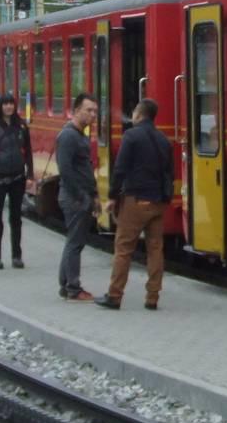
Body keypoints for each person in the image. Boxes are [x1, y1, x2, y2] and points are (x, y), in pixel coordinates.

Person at [98, 98, 174, 311]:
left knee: (123, 249)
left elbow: (120, 168)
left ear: (139, 115)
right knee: (155, 249)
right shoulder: (163, 140)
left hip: (135, 200)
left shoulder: (131, 136)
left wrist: (112, 196)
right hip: (158, 202)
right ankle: (152, 297)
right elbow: (170, 173)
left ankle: (114, 296)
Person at [56, 92, 100, 301]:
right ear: (76, 110)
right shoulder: (68, 136)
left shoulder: (80, 135)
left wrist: (95, 195)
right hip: (74, 197)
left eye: (95, 111)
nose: (93, 115)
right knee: (75, 243)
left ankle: (66, 285)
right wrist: (82, 197)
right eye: (88, 110)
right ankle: (73, 287)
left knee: (74, 241)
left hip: (80, 195)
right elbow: (66, 170)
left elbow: (85, 169)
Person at [0, 93, 33, 270]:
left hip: (18, 178)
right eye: (5, 104)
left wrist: (30, 176)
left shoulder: (21, 127)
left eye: (11, 104)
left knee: (16, 218)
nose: (8, 107)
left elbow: (28, 153)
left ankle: (17, 255)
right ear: (0, 107)